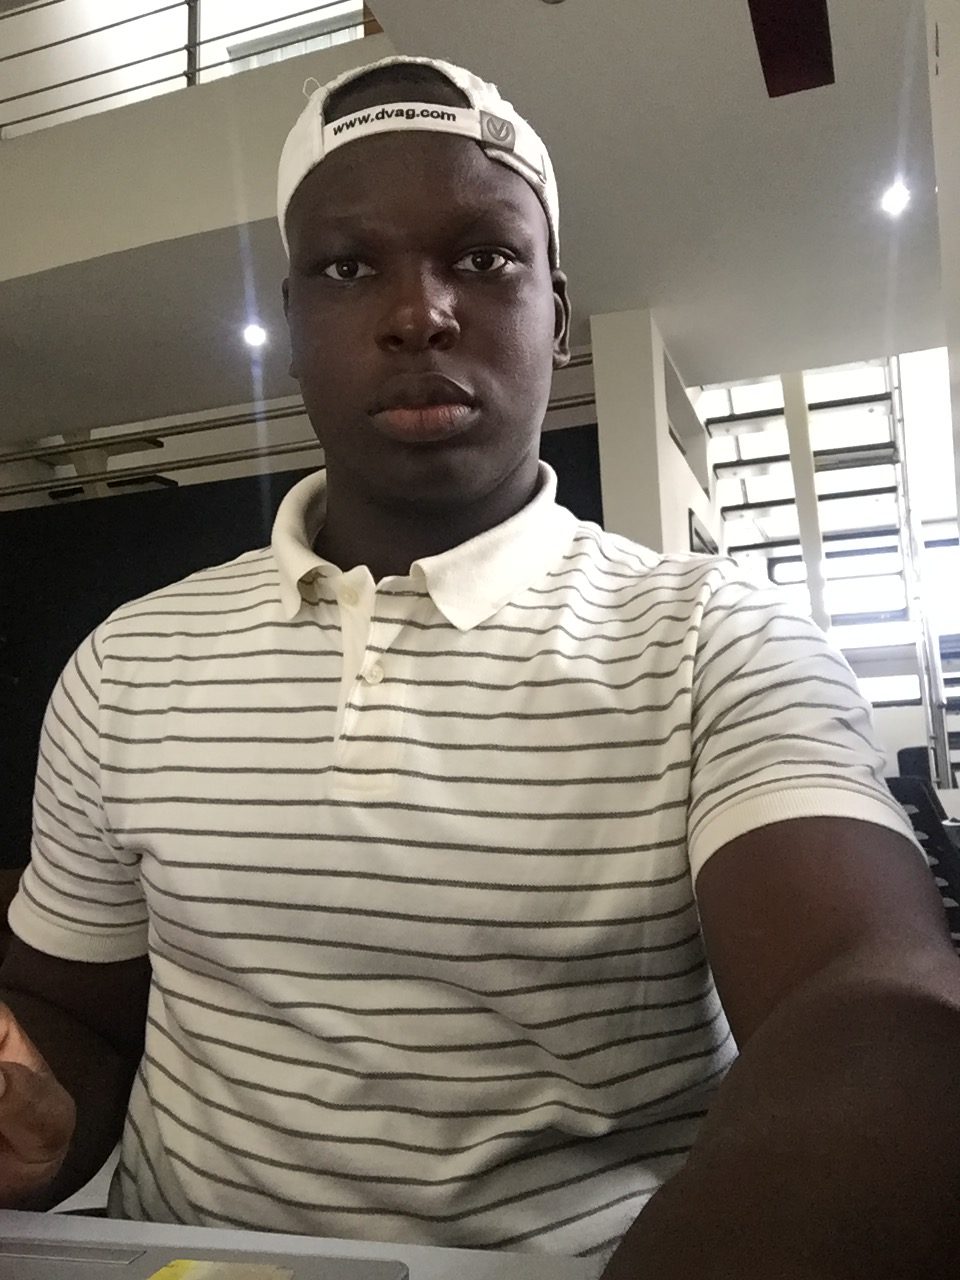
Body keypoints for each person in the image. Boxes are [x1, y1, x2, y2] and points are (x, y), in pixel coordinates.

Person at [1, 53, 959, 1279]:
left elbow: (869, 1003)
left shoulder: (715, 640)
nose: (420, 313)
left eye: (483, 257)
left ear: (555, 315)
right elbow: (79, 1018)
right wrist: (37, 1114)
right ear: (291, 326)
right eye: (349, 268)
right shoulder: (130, 661)